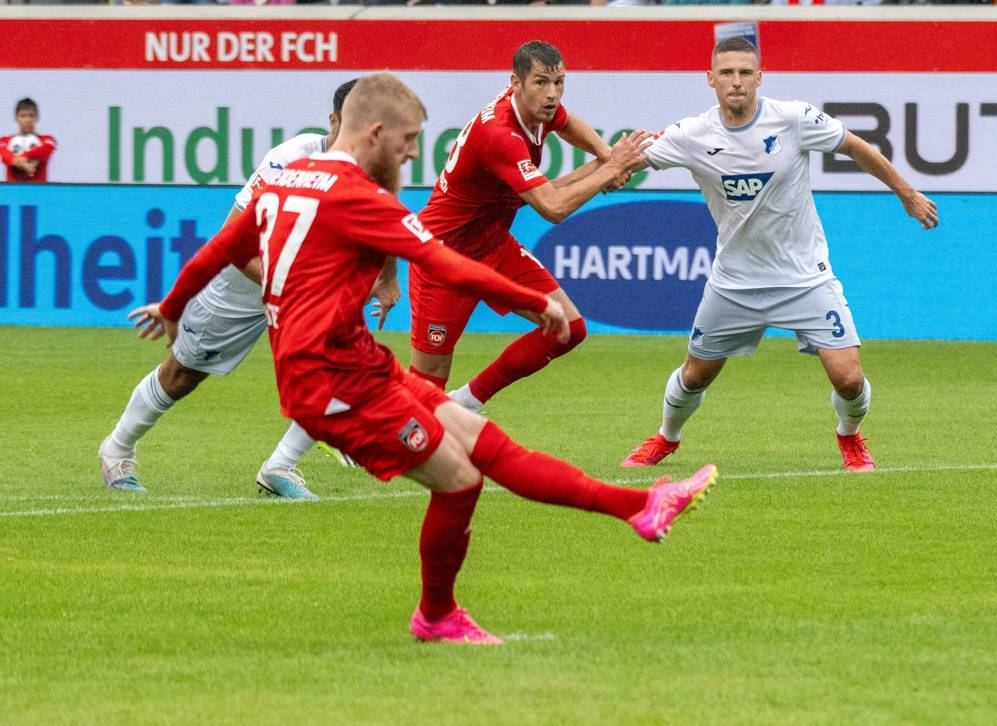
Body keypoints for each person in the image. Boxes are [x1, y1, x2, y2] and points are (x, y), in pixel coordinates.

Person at [132, 73, 717, 645]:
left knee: (487, 444)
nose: (413, 154)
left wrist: (174, 305)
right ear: (376, 133)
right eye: (408, 141)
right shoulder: (356, 194)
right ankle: (437, 615)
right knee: (461, 479)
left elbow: (221, 247)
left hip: (359, 365)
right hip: (331, 386)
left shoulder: (287, 179)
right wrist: (532, 301)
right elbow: (444, 264)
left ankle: (642, 506)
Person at [620, 37, 938, 472]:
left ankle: (849, 436)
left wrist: (907, 193)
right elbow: (625, 163)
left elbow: (856, 147)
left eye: (745, 73)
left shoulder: (793, 119)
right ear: (710, 79)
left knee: (848, 378)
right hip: (734, 282)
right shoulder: (691, 134)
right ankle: (666, 437)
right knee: (695, 375)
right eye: (727, 73)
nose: (737, 82)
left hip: (805, 277)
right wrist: (588, 177)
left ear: (759, 78)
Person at [99, 79, 393, 500]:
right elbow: (233, 238)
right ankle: (117, 448)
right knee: (182, 375)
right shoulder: (289, 160)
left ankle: (280, 467)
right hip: (243, 281)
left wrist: (387, 277)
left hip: (306, 282)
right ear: (333, 121)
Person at [408, 40, 628, 412]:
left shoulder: (537, 111)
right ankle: (355, 432)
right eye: (541, 82)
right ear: (515, 82)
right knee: (425, 388)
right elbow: (553, 207)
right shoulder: (501, 136)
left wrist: (607, 156)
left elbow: (567, 123)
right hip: (443, 259)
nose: (553, 94)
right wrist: (609, 167)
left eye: (559, 82)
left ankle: (467, 401)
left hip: (493, 246)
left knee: (567, 328)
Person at [1, 98, 57, 183]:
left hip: (38, 192)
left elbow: (45, 150)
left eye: (31, 115)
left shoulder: (47, 139)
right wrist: (22, 164)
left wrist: (24, 157)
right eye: (23, 116)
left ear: (37, 118)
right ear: (16, 118)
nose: (27, 120)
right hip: (13, 192)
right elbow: (4, 155)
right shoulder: (4, 141)